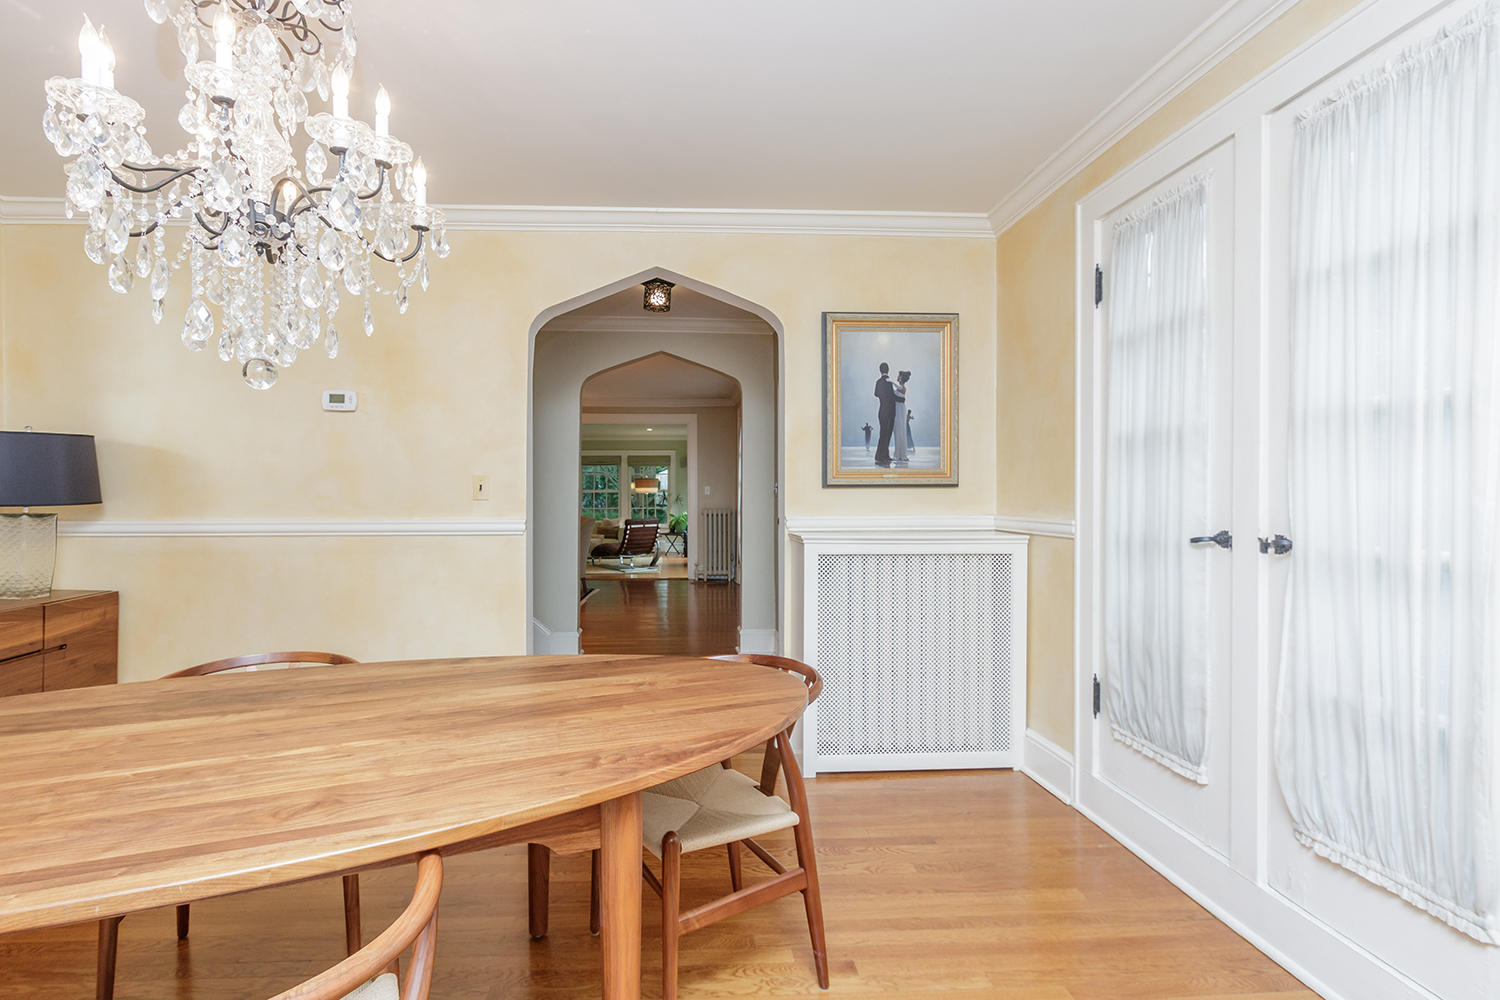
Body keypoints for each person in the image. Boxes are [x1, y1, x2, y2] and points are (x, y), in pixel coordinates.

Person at [873, 362, 896, 467]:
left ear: (880, 370)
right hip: (890, 411)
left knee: (883, 433)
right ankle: (882, 456)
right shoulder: (889, 382)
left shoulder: (878, 382)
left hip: (881, 410)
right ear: (888, 370)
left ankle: (882, 455)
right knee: (887, 434)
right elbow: (892, 397)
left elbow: (876, 394)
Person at [892, 370, 910, 466]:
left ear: (901, 378)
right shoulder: (900, 388)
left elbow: (897, 387)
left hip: (900, 410)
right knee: (897, 431)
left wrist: (890, 381)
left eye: (898, 376)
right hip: (897, 409)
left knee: (900, 430)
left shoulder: (903, 388)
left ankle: (901, 454)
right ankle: (898, 453)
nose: (897, 377)